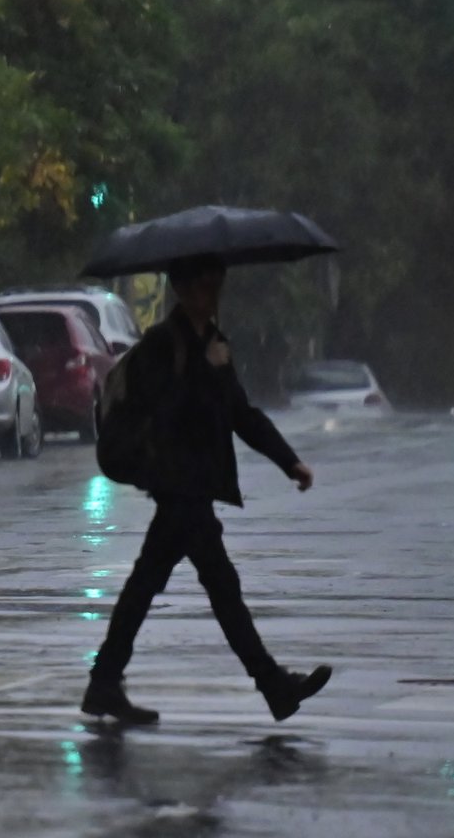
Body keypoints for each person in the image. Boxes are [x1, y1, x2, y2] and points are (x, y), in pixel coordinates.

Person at [81, 254, 331, 725]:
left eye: (217, 285)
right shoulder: (163, 344)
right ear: (182, 288)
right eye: (202, 286)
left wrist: (288, 460)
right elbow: (165, 409)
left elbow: (242, 414)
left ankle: (104, 682)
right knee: (219, 589)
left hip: (193, 487)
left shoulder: (215, 344)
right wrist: (202, 367)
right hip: (176, 485)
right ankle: (273, 686)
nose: (211, 294)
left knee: (152, 586)